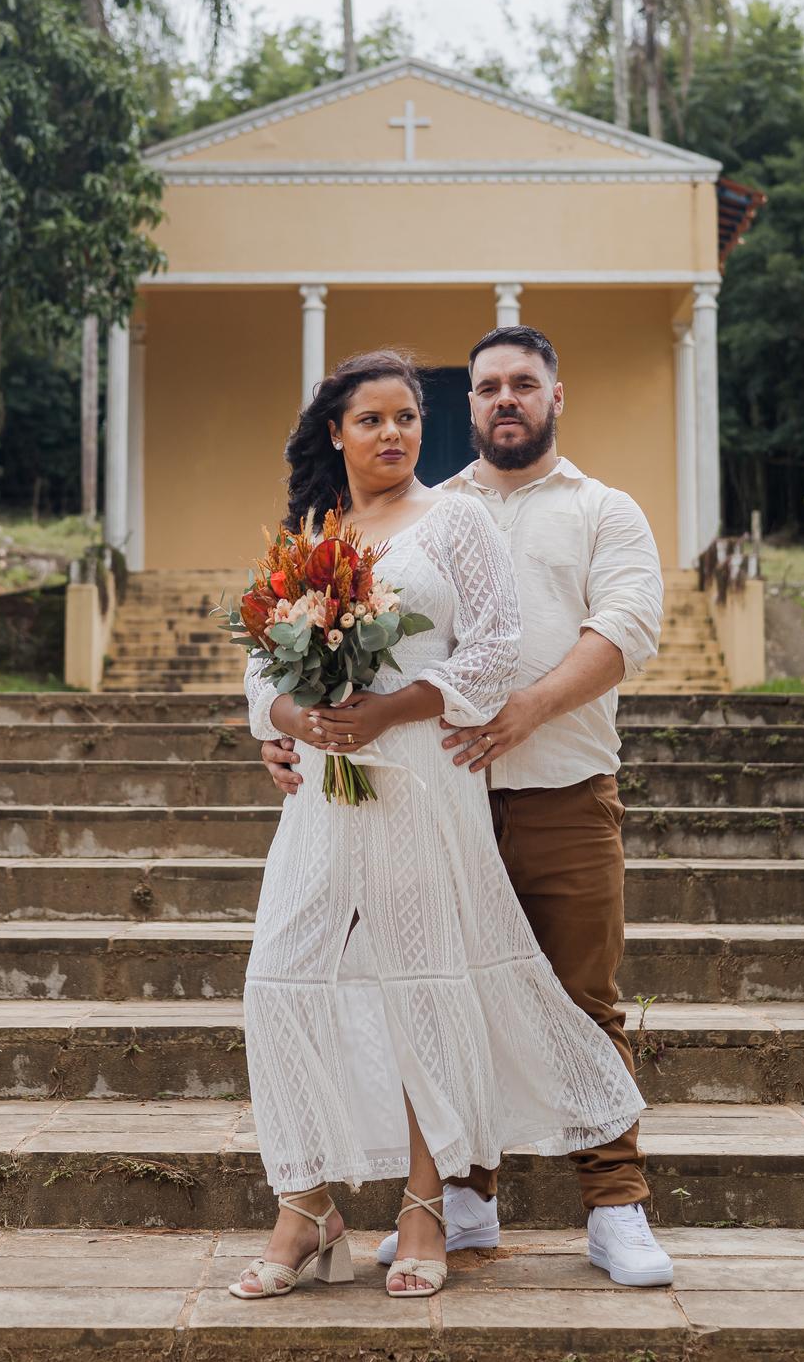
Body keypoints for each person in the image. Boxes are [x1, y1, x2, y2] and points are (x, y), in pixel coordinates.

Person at [263, 326, 671, 1288]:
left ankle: (614, 1207)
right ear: (472, 406)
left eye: (523, 385)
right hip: (432, 795)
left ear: (554, 398)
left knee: (579, 992)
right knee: (430, 988)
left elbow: (624, 628)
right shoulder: (425, 510)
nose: (504, 401)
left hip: (559, 789)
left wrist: (516, 713)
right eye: (488, 388)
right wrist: (291, 726)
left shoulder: (605, 510)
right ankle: (462, 1197)